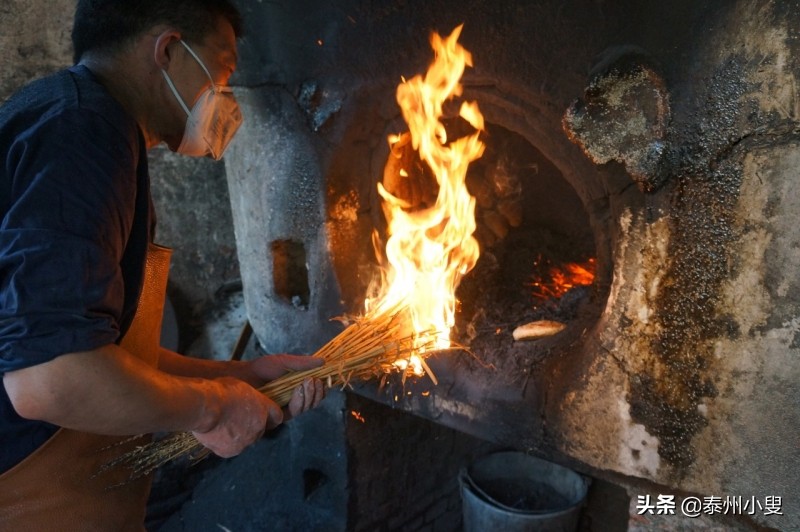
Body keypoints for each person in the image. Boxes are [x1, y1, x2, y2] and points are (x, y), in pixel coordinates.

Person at [0, 0, 324, 528]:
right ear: (169, 49)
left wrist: (240, 374)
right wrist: (211, 410)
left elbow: (108, 349)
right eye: (221, 71)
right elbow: (49, 376)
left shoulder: (80, 121)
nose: (225, 99)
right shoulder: (83, 134)